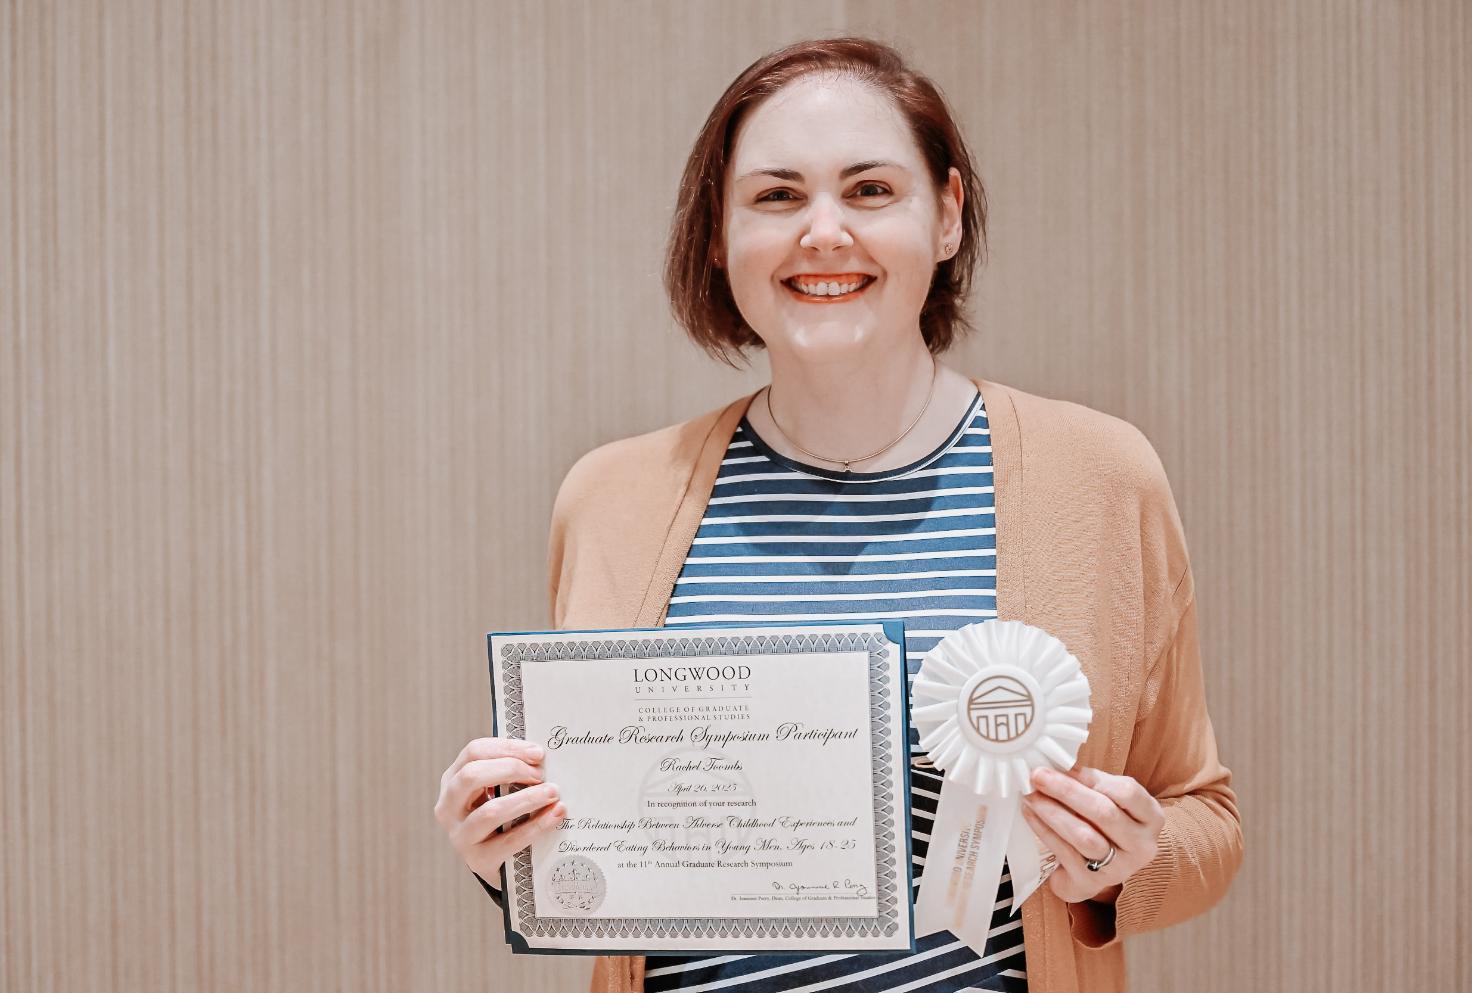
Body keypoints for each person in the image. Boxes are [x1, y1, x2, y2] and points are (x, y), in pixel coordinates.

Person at [433, 35, 1242, 993]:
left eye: (869, 191)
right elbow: (608, 835)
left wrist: (1124, 863)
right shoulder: (610, 497)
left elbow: (1206, 818)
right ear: (718, 235)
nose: (823, 232)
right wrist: (509, 855)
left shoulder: (1102, 475)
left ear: (946, 215)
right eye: (776, 195)